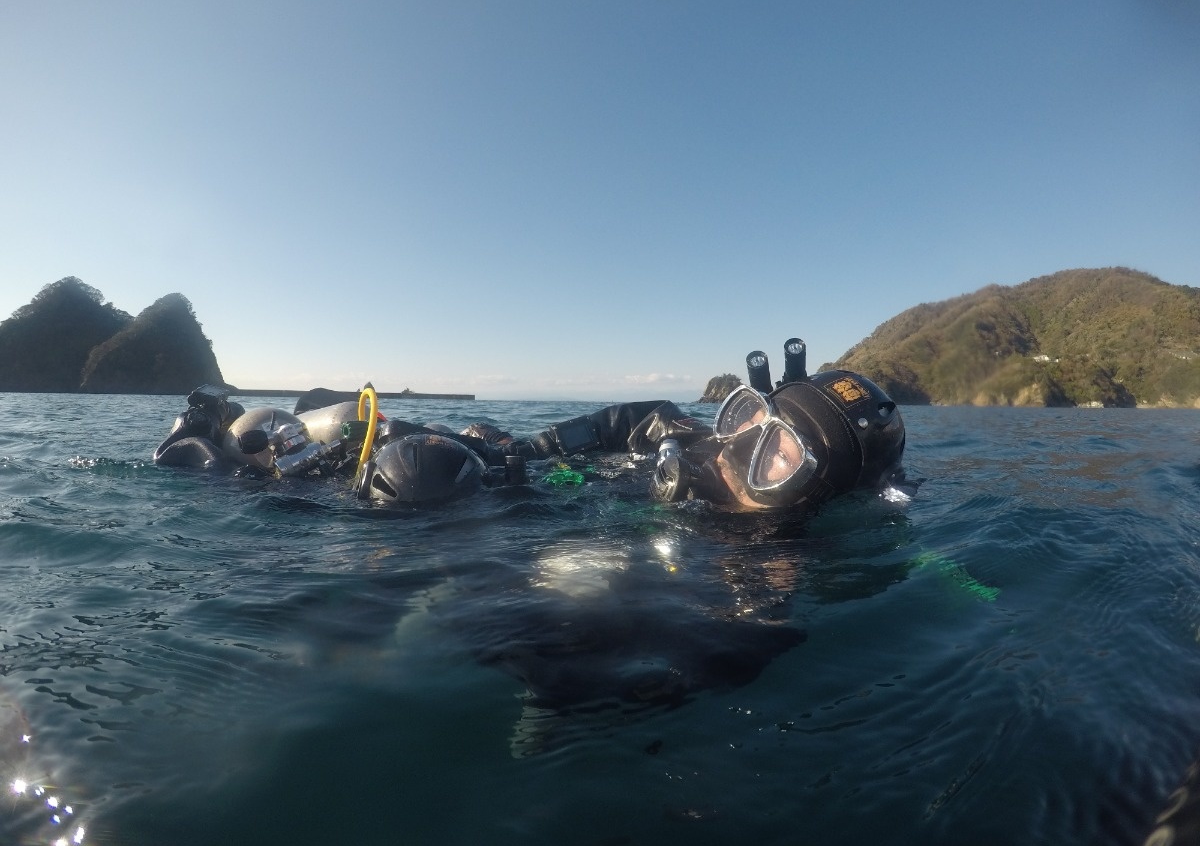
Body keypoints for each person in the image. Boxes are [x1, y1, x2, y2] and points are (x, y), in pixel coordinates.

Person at [154, 338, 907, 515]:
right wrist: (533, 444)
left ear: (811, 496)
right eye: (747, 416)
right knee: (372, 427)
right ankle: (238, 434)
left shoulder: (753, 581)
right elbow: (632, 417)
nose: (734, 447)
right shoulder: (695, 442)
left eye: (777, 457)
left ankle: (213, 461)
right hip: (518, 474)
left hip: (479, 518)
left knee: (414, 478)